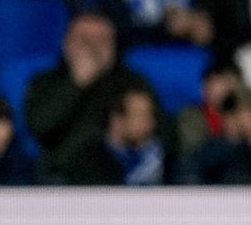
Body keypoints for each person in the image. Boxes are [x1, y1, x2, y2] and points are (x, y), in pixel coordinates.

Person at [24, 12, 161, 184]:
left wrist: (140, 127)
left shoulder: (133, 83)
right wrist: (76, 84)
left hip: (127, 179)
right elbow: (39, 126)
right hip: (66, 182)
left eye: (102, 40)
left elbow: (164, 133)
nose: (93, 47)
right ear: (66, 44)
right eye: (85, 40)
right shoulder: (45, 82)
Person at [94, 84, 167, 184]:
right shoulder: (90, 162)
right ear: (117, 122)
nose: (150, 122)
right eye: (140, 115)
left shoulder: (166, 159)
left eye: (150, 114)